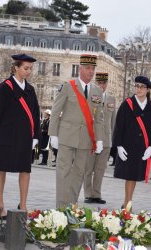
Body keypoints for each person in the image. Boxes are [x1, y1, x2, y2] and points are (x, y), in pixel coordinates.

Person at [0, 53, 40, 217]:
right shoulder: (5, 87)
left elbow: (35, 114)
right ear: (16, 68)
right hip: (5, 136)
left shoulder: (30, 90)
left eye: (30, 69)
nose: (28, 72)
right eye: (25, 68)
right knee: (1, 168)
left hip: (24, 138)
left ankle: (23, 204)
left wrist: (36, 136)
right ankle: (0, 204)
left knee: (25, 170)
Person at [49, 54, 104, 208]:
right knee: (63, 171)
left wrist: (99, 139)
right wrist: (53, 134)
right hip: (66, 136)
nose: (90, 71)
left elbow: (98, 118)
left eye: (93, 68)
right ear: (80, 69)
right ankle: (61, 206)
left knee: (79, 173)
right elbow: (56, 110)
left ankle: (72, 205)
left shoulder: (97, 91)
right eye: (87, 68)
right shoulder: (68, 86)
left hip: (86, 139)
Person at [113, 76, 151, 208]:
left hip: (142, 147)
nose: (138, 89)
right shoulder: (127, 104)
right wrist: (119, 146)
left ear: (148, 90)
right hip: (128, 146)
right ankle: (127, 204)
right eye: (137, 86)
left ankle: (127, 203)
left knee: (133, 175)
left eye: (142, 87)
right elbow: (119, 126)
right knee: (130, 175)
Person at [84, 72, 116, 204]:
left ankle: (96, 194)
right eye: (99, 83)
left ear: (107, 84)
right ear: (95, 83)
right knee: (88, 168)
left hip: (106, 140)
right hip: (91, 138)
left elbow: (113, 121)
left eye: (104, 83)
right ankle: (88, 194)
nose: (102, 85)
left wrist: (113, 138)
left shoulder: (112, 99)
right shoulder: (89, 97)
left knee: (100, 169)